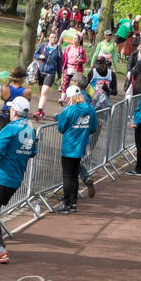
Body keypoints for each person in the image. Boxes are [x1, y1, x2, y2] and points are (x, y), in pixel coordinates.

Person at [0, 96, 35, 264]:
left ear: (14, 111)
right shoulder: (30, 129)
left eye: (11, 109)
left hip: (2, 177)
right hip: (16, 178)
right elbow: (33, 151)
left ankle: (1, 249)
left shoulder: (9, 129)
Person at [56, 85, 97, 213]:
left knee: (68, 176)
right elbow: (93, 128)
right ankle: (73, 203)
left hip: (69, 147)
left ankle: (67, 204)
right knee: (74, 175)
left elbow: (61, 128)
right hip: (81, 146)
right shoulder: (90, 109)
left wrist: (60, 119)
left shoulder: (69, 110)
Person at [31, 31, 61, 120]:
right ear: (49, 38)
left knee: (44, 92)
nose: (53, 39)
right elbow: (35, 54)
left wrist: (59, 76)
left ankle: (39, 112)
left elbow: (60, 63)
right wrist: (39, 56)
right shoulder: (43, 46)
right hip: (41, 72)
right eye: (51, 37)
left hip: (50, 73)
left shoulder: (58, 49)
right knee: (41, 93)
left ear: (57, 39)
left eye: (55, 38)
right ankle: (42, 111)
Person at [0, 65, 26, 134]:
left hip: (5, 114)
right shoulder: (25, 91)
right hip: (18, 116)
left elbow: (3, 98)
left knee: (1, 136)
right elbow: (26, 102)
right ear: (23, 78)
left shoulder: (5, 88)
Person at [62, 30, 87, 94]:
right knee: (65, 83)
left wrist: (79, 60)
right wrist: (63, 67)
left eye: (76, 38)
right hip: (68, 68)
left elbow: (85, 60)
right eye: (73, 38)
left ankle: (72, 99)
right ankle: (62, 98)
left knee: (74, 85)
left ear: (79, 40)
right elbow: (64, 58)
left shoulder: (81, 50)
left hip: (76, 69)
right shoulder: (68, 48)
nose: (74, 39)